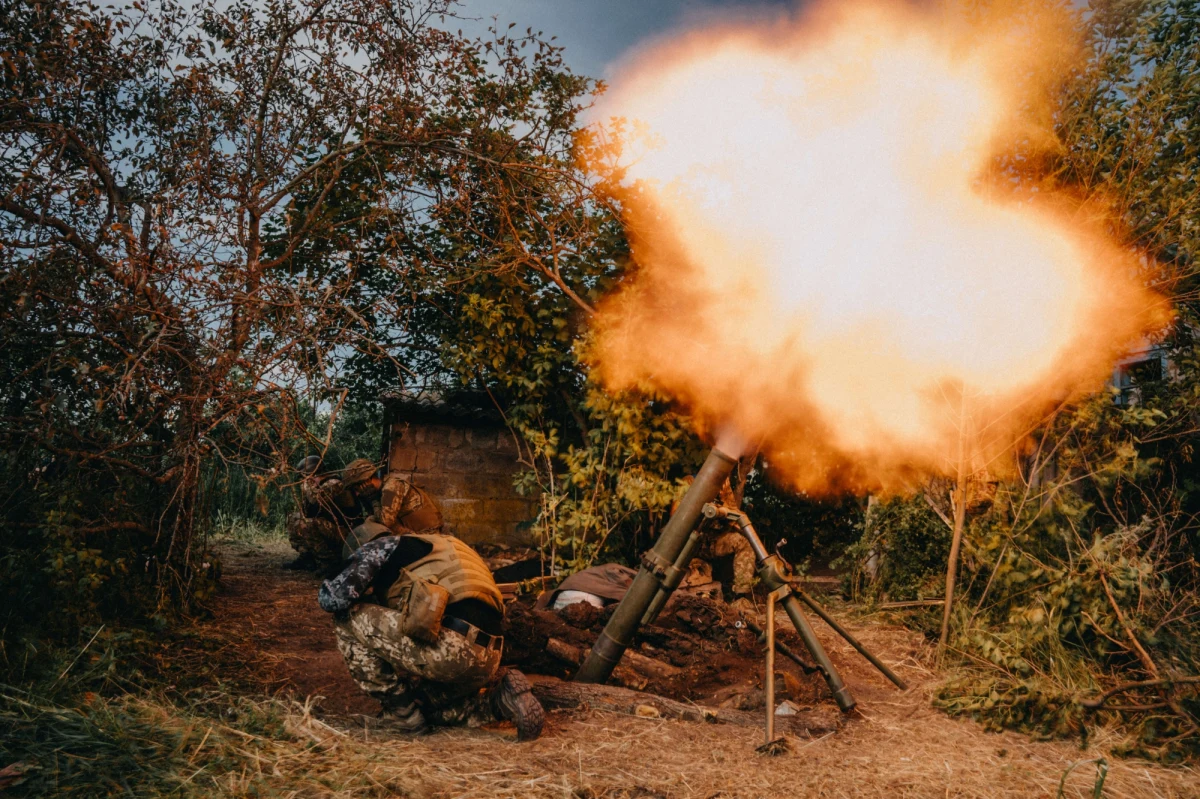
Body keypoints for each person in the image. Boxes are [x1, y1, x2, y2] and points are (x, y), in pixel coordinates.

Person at [318, 532, 545, 740]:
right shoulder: (448, 547)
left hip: (452, 648)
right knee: (421, 705)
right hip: (490, 656)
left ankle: (402, 717)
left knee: (346, 618)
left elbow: (333, 600)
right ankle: (500, 703)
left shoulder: (381, 546)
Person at [285, 456, 364, 572]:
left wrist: (308, 487)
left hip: (348, 535)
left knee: (309, 524)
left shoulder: (334, 483)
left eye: (304, 477)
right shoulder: (318, 486)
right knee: (294, 518)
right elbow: (307, 511)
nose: (303, 481)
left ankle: (329, 562)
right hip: (333, 530)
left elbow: (315, 499)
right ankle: (307, 557)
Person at [340, 457, 444, 535]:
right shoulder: (379, 491)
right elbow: (372, 518)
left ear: (366, 480)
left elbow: (385, 523)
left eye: (357, 488)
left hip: (427, 534)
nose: (357, 493)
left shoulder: (391, 487)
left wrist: (373, 499)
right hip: (413, 533)